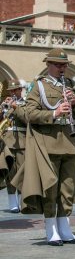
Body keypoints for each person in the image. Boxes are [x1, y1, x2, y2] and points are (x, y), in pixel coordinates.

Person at [12, 48, 75, 246]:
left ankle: (65, 228)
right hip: (49, 144)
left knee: (67, 189)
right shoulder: (38, 86)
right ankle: (51, 229)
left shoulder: (71, 85)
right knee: (51, 188)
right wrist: (53, 114)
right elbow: (28, 114)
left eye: (65, 65)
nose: (63, 68)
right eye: (58, 65)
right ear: (48, 65)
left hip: (71, 144)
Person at [2, 79, 27, 213]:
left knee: (22, 172)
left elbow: (28, 119)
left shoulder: (26, 103)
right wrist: (3, 108)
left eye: (15, 90)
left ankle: (23, 201)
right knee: (9, 173)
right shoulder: (5, 104)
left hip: (22, 142)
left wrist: (16, 107)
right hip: (8, 142)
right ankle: (13, 202)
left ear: (20, 90)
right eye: (11, 90)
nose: (12, 92)